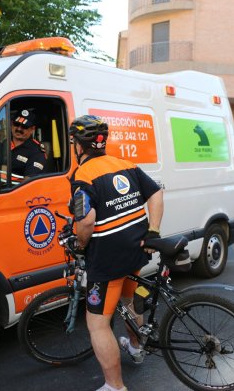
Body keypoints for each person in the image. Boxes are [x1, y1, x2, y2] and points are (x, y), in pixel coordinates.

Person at [68, 115, 164, 391]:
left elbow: (85, 221)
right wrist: (153, 230)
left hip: (107, 259)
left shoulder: (82, 176)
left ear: (78, 145)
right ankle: (135, 347)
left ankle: (115, 386)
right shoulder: (126, 165)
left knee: (98, 324)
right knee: (129, 301)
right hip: (136, 250)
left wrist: (81, 244)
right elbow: (156, 193)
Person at [10, 110, 46, 181]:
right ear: (11, 124)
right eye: (16, 124)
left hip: (14, 190)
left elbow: (28, 182)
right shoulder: (2, 143)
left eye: (24, 126)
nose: (19, 129)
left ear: (32, 129)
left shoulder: (37, 151)